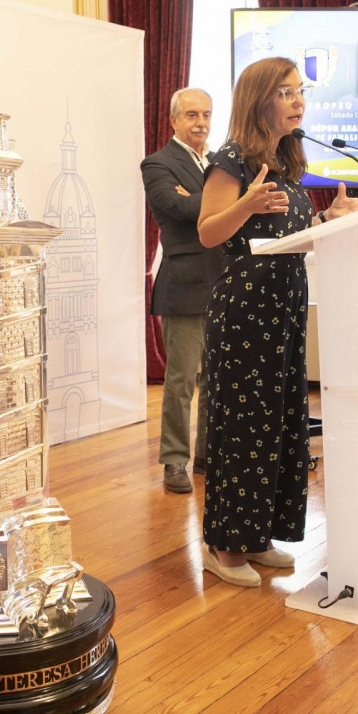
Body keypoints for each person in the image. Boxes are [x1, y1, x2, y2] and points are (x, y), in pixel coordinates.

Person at [196, 57, 358, 587]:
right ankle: (224, 546)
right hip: (246, 310)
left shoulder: (285, 162)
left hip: (285, 307)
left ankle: (260, 535)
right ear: (259, 100)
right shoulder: (231, 161)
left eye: (301, 91)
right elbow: (208, 233)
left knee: (278, 422)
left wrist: (327, 220)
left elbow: (287, 237)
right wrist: (246, 204)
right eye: (285, 92)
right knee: (243, 424)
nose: (298, 101)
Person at [141, 88, 225, 494]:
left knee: (217, 380)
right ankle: (174, 460)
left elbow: (204, 208)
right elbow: (179, 211)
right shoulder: (157, 163)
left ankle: (208, 455)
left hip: (223, 283)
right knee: (180, 383)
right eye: (192, 115)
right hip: (184, 285)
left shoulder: (220, 162)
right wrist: (225, 202)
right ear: (174, 120)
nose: (201, 123)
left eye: (207, 114)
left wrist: (203, 200)